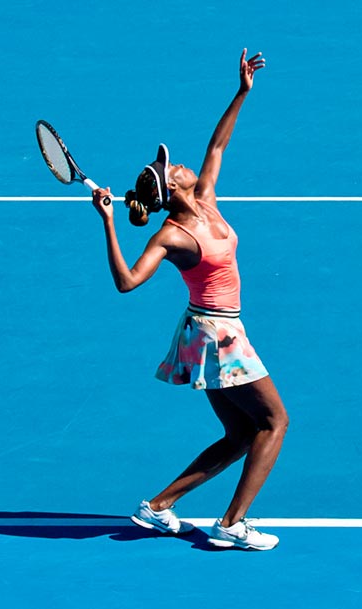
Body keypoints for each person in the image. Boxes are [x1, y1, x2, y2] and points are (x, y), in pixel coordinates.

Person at [90, 49, 284, 551]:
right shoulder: (173, 235)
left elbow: (217, 144)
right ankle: (232, 524)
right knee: (274, 422)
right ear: (171, 189)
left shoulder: (207, 198)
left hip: (210, 331)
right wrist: (110, 224)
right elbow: (128, 281)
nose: (178, 163)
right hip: (217, 334)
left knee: (241, 434)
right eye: (171, 166)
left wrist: (241, 93)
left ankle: (156, 508)